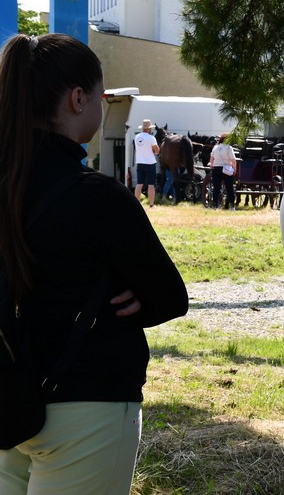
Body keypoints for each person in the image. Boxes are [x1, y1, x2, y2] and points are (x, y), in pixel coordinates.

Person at [0, 33, 189, 493]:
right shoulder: (98, 197)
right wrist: (129, 299)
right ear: (78, 98)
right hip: (88, 405)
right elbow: (170, 297)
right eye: (100, 95)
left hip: (5, 399)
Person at [133, 118, 160, 207]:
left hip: (140, 162)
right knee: (151, 185)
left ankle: (136, 204)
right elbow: (156, 151)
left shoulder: (137, 137)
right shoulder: (151, 138)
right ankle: (151, 204)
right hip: (150, 163)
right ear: (149, 128)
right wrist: (155, 151)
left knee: (139, 184)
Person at [210, 134, 238, 210]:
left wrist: (212, 165)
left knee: (216, 188)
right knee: (229, 188)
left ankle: (215, 205)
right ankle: (232, 206)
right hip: (226, 169)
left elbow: (212, 158)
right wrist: (235, 168)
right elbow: (233, 160)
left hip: (216, 168)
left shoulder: (215, 147)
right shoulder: (229, 148)